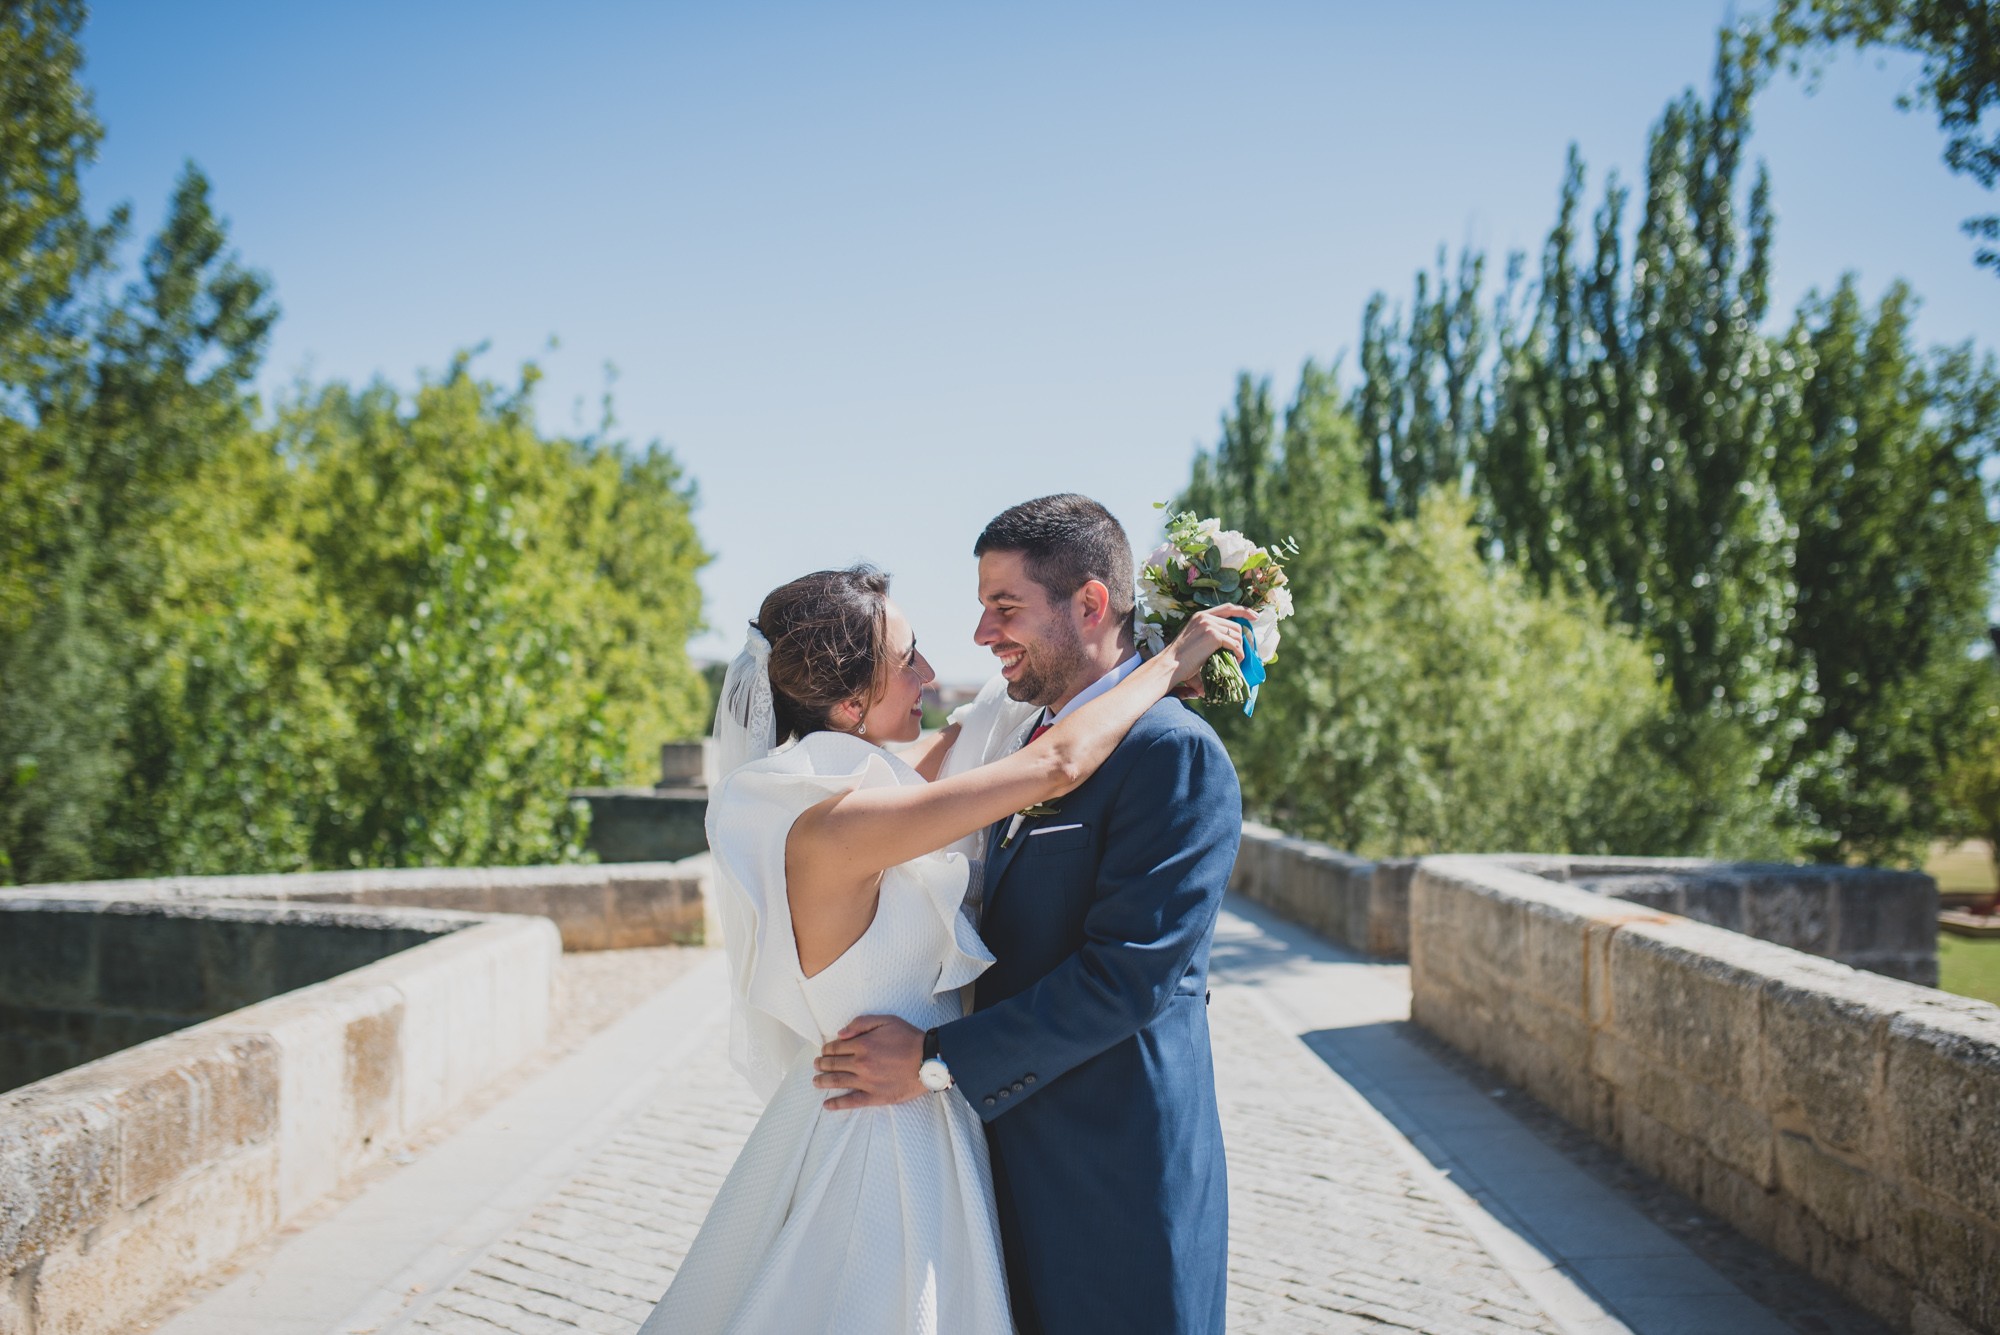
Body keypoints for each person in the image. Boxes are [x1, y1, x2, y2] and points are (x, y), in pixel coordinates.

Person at [640, 556, 1245, 1335]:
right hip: (886, 1142)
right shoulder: (840, 826)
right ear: (852, 702)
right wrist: (1168, 660)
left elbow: (978, 730)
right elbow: (1054, 761)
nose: (931, 670)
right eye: (907, 659)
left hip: (919, 1118)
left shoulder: (858, 790)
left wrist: (1105, 653)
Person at [820, 495, 1244, 1335]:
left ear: (1090, 604)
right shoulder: (1026, 744)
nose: (982, 634)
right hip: (1008, 1160)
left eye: (1004, 607)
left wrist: (935, 1061)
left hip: (1115, 1176)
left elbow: (1124, 979)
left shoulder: (1173, 752)